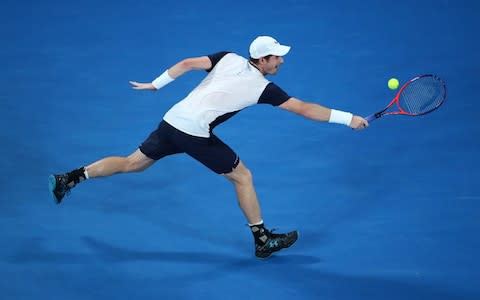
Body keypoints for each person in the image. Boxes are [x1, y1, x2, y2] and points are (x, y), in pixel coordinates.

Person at [49, 36, 369, 259]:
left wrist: (156, 84)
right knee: (242, 177)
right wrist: (348, 118)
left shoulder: (228, 57)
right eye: (277, 57)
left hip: (173, 119)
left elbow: (187, 62)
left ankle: (70, 177)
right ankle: (262, 241)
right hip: (193, 132)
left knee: (134, 162)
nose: (281, 60)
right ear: (262, 59)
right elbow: (304, 109)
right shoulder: (263, 87)